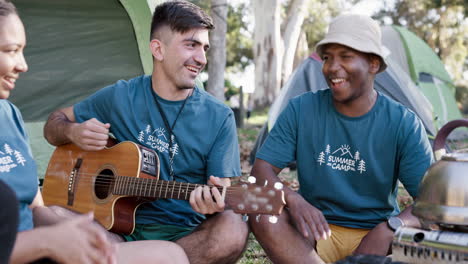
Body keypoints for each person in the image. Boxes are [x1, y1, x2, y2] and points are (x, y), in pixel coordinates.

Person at [43, 1, 248, 263]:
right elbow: (53, 124)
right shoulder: (120, 96)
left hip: (185, 237)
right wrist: (72, 132)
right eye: (191, 45)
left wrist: (212, 203)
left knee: (232, 228)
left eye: (205, 48)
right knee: (48, 213)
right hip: (113, 231)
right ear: (158, 49)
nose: (202, 59)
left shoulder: (219, 117)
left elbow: (220, 190)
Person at [0, 1, 189, 263]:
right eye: (11, 50)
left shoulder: (9, 115)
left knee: (170, 254)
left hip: (46, 247)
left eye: (23, 51)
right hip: (27, 251)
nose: (23, 65)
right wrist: (46, 242)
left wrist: (70, 230)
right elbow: (55, 124)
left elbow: (35, 210)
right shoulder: (118, 95)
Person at [249, 14, 433, 264]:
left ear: (373, 64)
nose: (332, 67)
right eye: (327, 58)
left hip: (377, 239)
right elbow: (261, 171)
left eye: (345, 56)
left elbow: (430, 202)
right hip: (311, 235)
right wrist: (292, 198)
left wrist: (390, 227)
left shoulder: (403, 122)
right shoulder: (301, 109)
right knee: (261, 209)